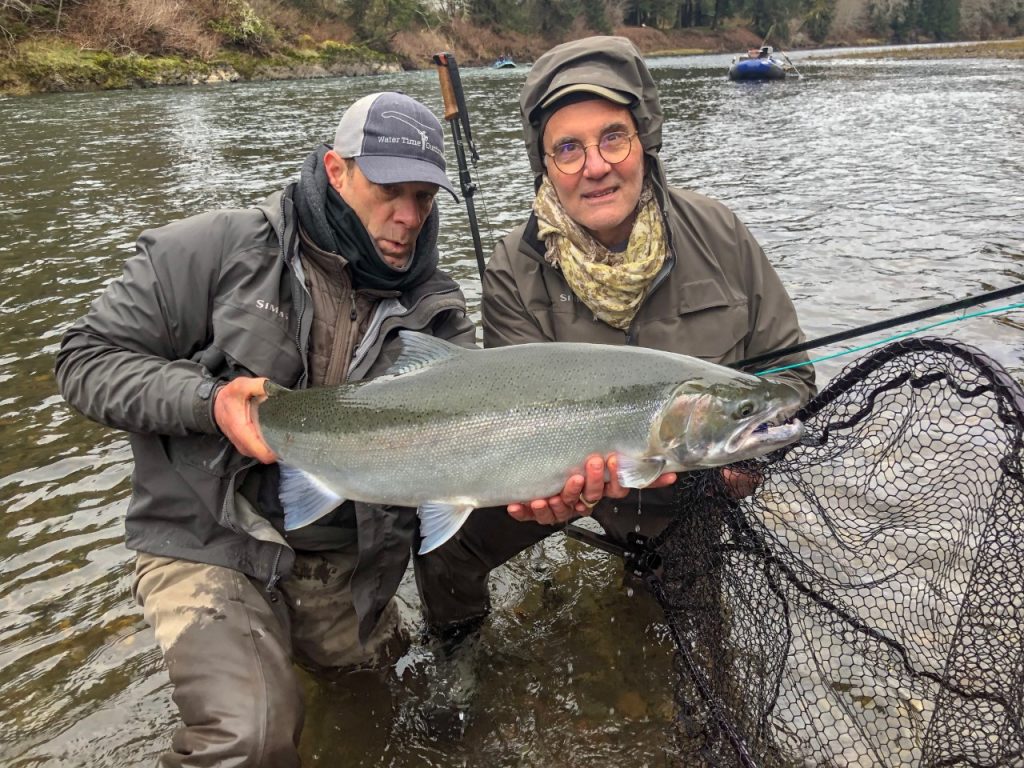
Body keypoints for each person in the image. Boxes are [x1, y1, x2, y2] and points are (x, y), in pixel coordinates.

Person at [54, 91, 587, 767]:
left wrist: (536, 484)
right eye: (391, 190)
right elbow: (84, 359)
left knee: (373, 720)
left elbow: (459, 468)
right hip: (207, 534)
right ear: (337, 171)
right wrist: (208, 402)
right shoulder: (217, 250)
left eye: (424, 198)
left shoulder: (438, 315)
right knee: (249, 736)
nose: (408, 217)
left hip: (340, 560)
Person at [416, 36, 816, 633]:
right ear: (546, 166)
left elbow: (792, 383)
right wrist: (541, 493)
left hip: (689, 491)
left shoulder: (719, 234)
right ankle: (461, 656)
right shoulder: (512, 268)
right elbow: (506, 420)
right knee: (444, 549)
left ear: (643, 140)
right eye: (568, 149)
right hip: (564, 478)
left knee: (695, 647)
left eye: (612, 137)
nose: (596, 166)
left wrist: (749, 464)